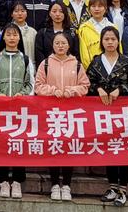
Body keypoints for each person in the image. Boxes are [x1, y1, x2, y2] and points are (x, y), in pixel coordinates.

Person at [86, 25, 128, 206]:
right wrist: (98, 89)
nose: (110, 42)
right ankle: (112, 187)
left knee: (123, 149)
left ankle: (122, 189)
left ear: (118, 41)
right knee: (110, 147)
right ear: (101, 41)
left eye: (113, 39)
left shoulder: (126, 61)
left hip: (124, 113)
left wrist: (121, 89)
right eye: (106, 39)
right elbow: (86, 83)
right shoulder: (96, 61)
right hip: (103, 114)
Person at [35, 31, 89, 201]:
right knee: (54, 147)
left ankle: (66, 184)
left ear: (69, 45)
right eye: (57, 43)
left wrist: (71, 91)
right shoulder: (45, 63)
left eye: (63, 43)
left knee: (68, 148)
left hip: (71, 113)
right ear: (52, 45)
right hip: (51, 114)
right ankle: (54, 184)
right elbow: (38, 86)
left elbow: (85, 86)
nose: (60, 46)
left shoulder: (77, 64)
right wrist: (53, 91)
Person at [0, 23, 33, 198]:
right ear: (4, 37)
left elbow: (31, 83)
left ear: (19, 38)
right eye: (9, 34)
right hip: (0, 109)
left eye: (15, 35)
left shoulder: (26, 59)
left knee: (19, 144)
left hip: (20, 110)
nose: (12, 38)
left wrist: (23, 95)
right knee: (1, 145)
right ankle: (3, 181)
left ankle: (17, 181)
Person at [77, 0, 116, 70]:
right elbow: (84, 54)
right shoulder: (83, 28)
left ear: (105, 8)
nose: (96, 9)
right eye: (93, 6)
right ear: (89, 9)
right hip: (92, 70)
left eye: (100, 6)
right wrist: (91, 70)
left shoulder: (113, 27)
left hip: (112, 69)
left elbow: (118, 50)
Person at [10, 1, 37, 69]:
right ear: (12, 14)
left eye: (22, 11)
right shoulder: (7, 32)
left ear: (26, 13)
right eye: (16, 11)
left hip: (30, 67)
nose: (20, 14)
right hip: (12, 67)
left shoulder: (33, 32)